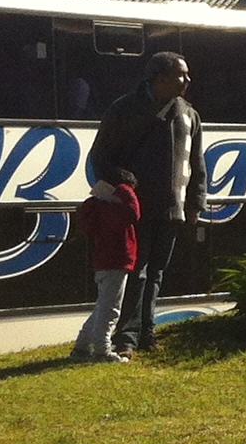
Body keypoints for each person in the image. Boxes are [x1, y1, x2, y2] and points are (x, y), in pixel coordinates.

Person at [90, 51, 203, 355]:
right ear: (160, 78)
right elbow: (99, 157)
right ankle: (126, 338)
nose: (188, 80)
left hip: (172, 208)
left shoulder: (189, 114)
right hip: (135, 210)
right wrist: (122, 179)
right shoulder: (124, 109)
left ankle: (147, 334)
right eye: (182, 74)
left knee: (156, 273)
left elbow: (197, 163)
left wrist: (195, 203)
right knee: (135, 273)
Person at [72, 171, 142, 362]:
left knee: (102, 306)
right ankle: (102, 350)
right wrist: (125, 189)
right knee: (111, 309)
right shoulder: (119, 204)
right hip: (118, 260)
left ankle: (82, 346)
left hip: (102, 261)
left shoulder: (96, 205)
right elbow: (134, 212)